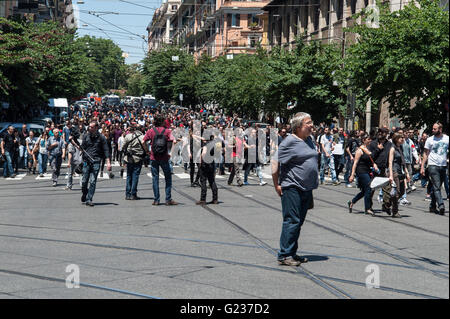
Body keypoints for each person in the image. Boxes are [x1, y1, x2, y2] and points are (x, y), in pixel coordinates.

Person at [272, 112, 317, 266]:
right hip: (292, 187)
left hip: (306, 188)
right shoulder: (289, 141)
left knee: (298, 222)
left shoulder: (309, 140)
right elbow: (275, 162)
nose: (312, 125)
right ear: (298, 127)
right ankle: (284, 255)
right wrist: (276, 184)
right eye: (308, 123)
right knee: (292, 220)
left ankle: (292, 252)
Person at [143, 114, 178, 206]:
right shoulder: (167, 131)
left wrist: (147, 151)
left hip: (154, 157)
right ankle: (168, 199)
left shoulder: (151, 131)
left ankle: (156, 199)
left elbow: (143, 141)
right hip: (164, 157)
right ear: (163, 122)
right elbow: (174, 141)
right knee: (168, 178)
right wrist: (171, 153)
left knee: (155, 178)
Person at [80, 121, 112, 207]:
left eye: (91, 127)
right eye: (89, 126)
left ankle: (89, 199)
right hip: (86, 161)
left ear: (96, 128)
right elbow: (82, 148)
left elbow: (106, 150)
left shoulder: (102, 138)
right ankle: (84, 192)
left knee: (93, 181)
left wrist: (108, 162)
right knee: (84, 181)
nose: (89, 128)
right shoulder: (86, 136)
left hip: (96, 161)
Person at [420, 122, 448, 215]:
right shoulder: (430, 140)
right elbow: (425, 153)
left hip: (443, 165)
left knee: (437, 187)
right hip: (432, 165)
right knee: (436, 186)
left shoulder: (447, 139)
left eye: (434, 129)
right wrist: (422, 167)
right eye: (433, 128)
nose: (433, 130)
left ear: (440, 129)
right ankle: (441, 205)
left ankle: (432, 205)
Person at [348, 133, 378, 216]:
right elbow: (355, 163)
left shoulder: (368, 149)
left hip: (368, 171)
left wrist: (374, 165)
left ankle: (352, 202)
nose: (370, 140)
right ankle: (367, 208)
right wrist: (352, 174)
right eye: (368, 139)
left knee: (365, 191)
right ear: (363, 140)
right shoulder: (359, 150)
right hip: (361, 171)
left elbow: (371, 159)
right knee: (369, 188)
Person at [387, 132, 410, 218]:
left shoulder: (400, 148)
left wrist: (407, 173)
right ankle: (395, 212)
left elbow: (403, 162)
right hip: (394, 171)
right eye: (401, 138)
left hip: (400, 171)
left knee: (402, 192)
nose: (403, 139)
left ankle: (387, 204)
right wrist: (391, 175)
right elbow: (390, 162)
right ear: (397, 139)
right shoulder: (392, 148)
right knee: (397, 192)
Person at [123, 122, 147, 200]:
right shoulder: (142, 137)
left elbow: (123, 147)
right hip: (138, 158)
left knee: (129, 176)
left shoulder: (128, 136)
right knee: (135, 176)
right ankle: (133, 194)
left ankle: (127, 194)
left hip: (129, 158)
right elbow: (145, 147)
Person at [196, 133, 219, 205]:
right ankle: (215, 199)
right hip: (211, 163)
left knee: (203, 181)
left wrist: (201, 161)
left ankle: (203, 199)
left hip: (205, 164)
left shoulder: (206, 144)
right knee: (212, 181)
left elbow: (204, 153)